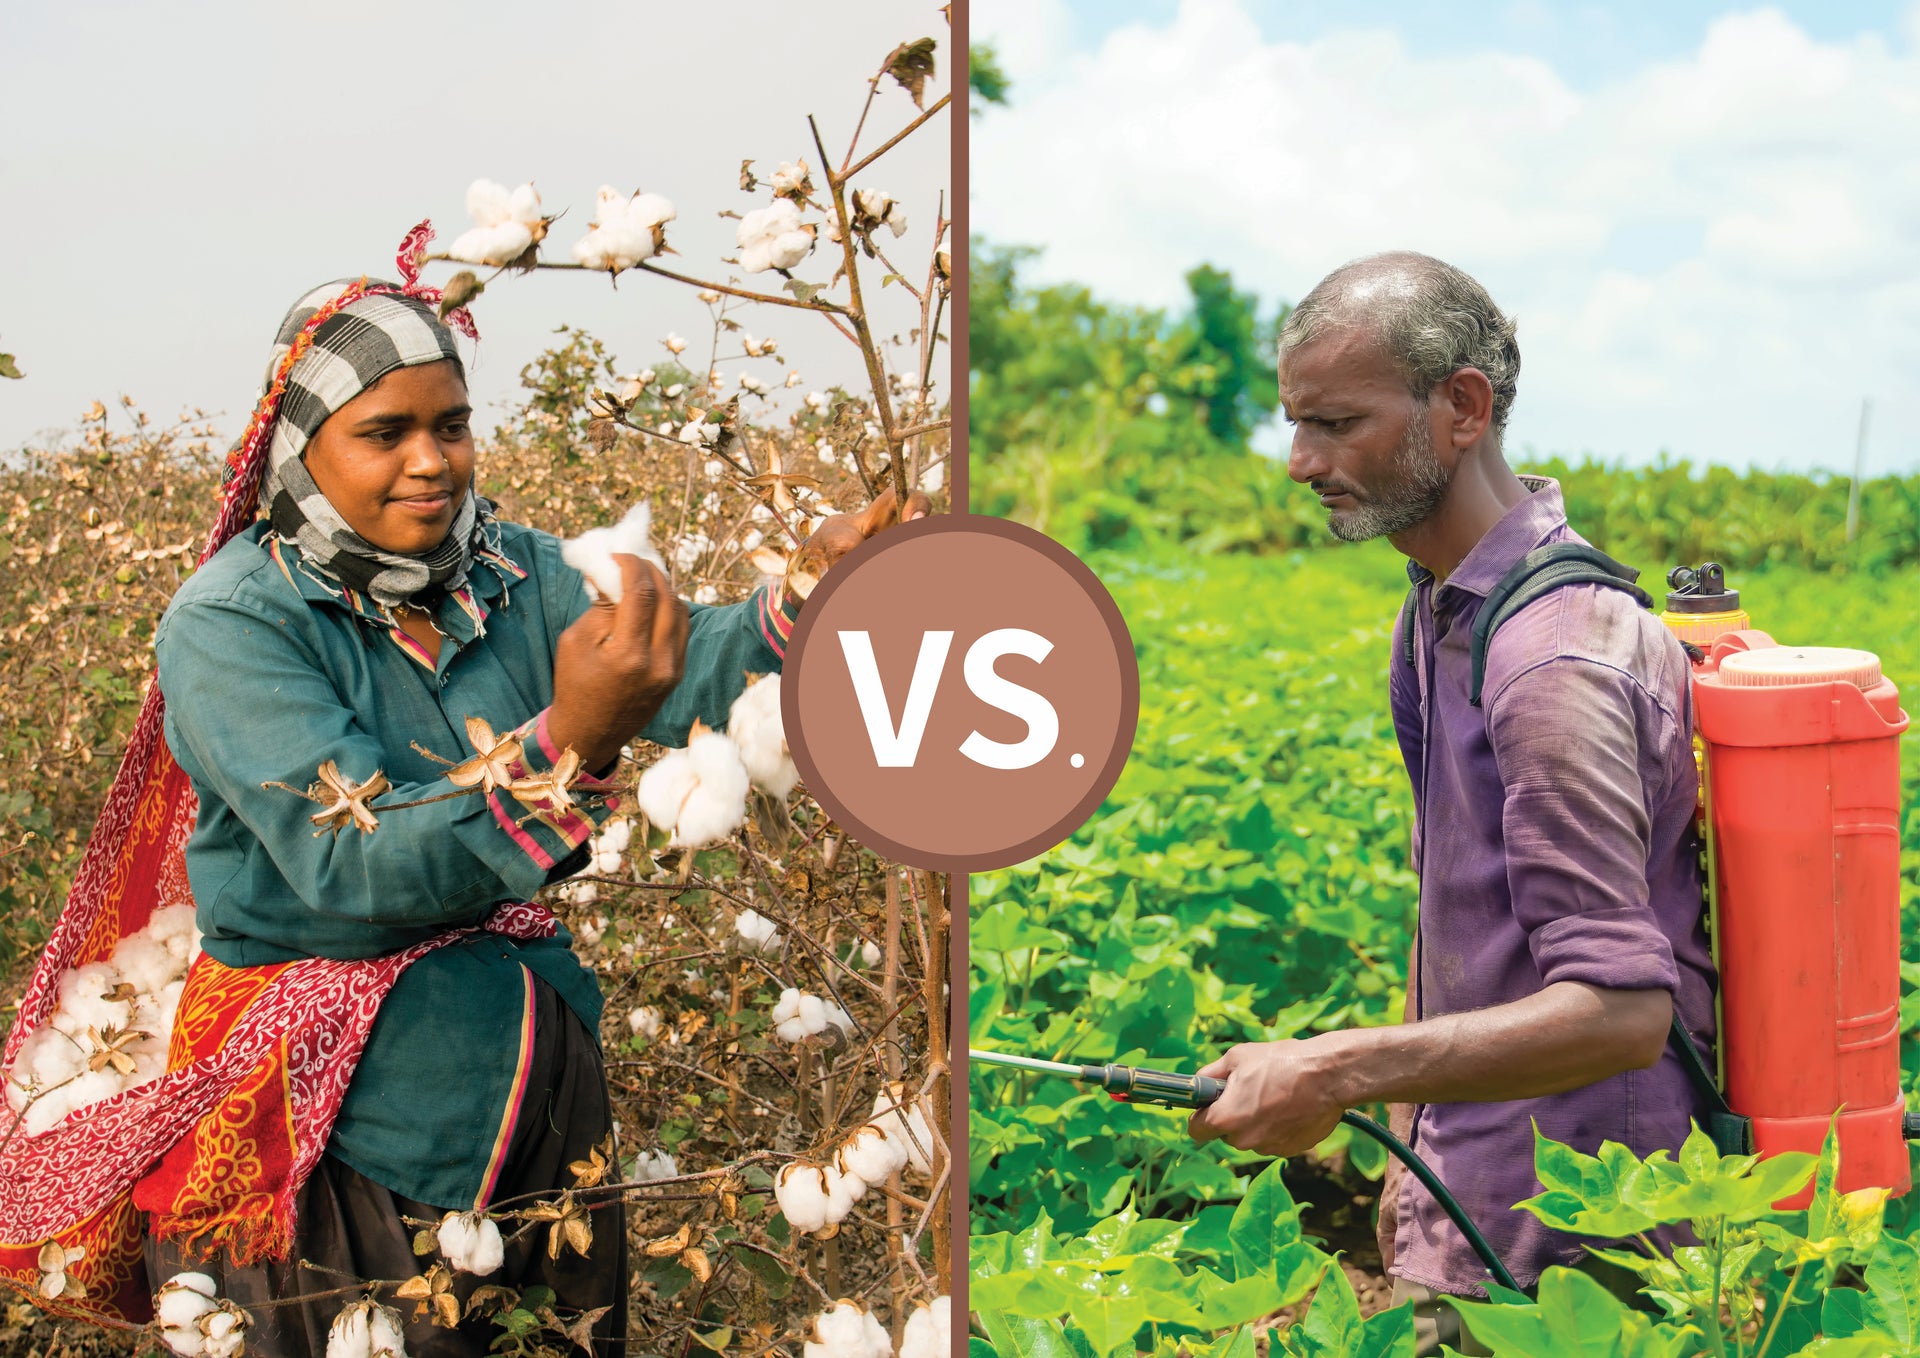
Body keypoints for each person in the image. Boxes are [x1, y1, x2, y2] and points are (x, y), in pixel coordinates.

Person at [0, 275, 926, 1355]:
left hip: (533, 1093)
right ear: (301, 449)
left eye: (451, 424)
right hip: (345, 1134)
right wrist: (568, 740)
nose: (431, 460)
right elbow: (356, 863)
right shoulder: (232, 623)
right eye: (385, 432)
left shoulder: (512, 570)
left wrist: (813, 591)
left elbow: (683, 662)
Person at [1186, 252, 1714, 1354]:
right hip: (1475, 1194)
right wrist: (1409, 1153)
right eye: (1297, 423)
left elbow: (1624, 1010)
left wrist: (1336, 1067)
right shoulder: (1441, 612)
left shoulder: (1551, 656)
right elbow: (1464, 924)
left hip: (1570, 1246)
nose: (1301, 461)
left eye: (1337, 422)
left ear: (1462, 407)